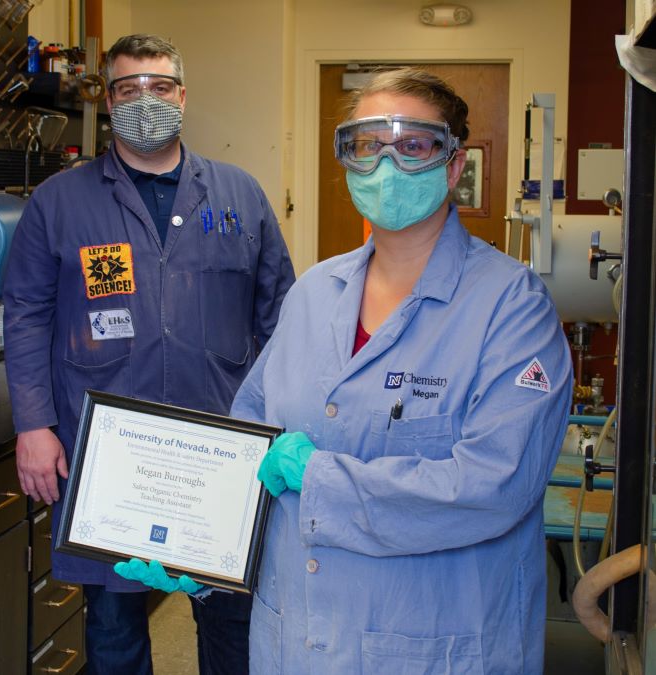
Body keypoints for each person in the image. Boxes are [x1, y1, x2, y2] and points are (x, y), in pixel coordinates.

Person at [229, 68, 573, 673]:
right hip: (297, 641)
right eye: (367, 146)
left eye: (414, 145)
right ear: (348, 160)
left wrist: (321, 478)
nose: (387, 167)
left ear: (454, 164)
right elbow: (250, 435)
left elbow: (494, 486)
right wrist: (201, 544)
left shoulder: (510, 306)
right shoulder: (312, 293)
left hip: (432, 645)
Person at [2, 34, 295, 675]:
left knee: (231, 627)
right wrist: (32, 424)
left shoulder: (239, 195)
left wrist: (283, 427)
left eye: (159, 86)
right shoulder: (60, 202)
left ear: (183, 96)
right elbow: (24, 316)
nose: (146, 100)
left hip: (219, 451)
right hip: (107, 454)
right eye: (129, 88)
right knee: (113, 631)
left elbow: (282, 316)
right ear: (108, 101)